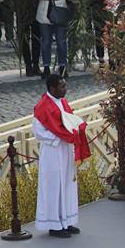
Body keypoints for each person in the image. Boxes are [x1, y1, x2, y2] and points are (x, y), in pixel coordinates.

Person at [33, 74, 91, 238]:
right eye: (62, 87)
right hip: (53, 151)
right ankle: (55, 225)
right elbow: (38, 132)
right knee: (54, 186)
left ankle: (67, 221)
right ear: (52, 88)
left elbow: (68, 121)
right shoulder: (42, 106)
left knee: (67, 183)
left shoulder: (63, 102)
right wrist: (58, 138)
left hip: (66, 149)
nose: (65, 89)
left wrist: (76, 128)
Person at [34, 0, 78, 78]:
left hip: (60, 10)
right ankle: (46, 67)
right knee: (46, 41)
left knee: (61, 41)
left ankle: (62, 66)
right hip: (45, 11)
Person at [14, 0, 42, 77]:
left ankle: (36, 65)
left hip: (36, 5)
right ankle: (28, 66)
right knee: (23, 39)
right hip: (22, 6)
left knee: (36, 38)